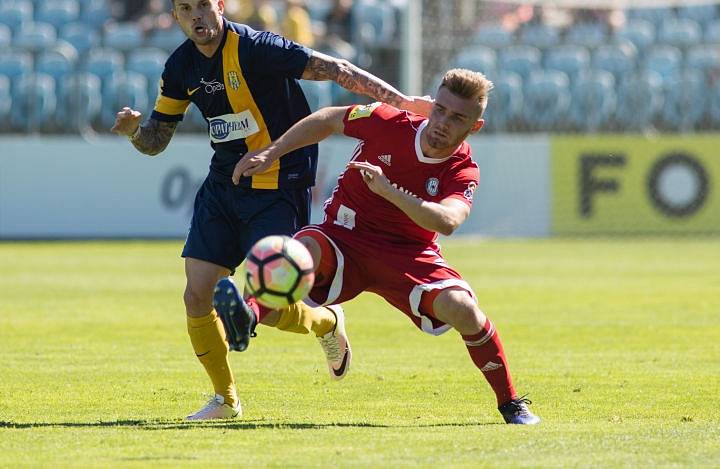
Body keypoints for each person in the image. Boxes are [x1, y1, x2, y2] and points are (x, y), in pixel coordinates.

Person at [110, 0, 432, 421]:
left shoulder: (257, 48)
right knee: (195, 296)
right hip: (224, 185)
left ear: (220, 4)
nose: (197, 16)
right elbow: (156, 140)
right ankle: (226, 400)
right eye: (186, 9)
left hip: (281, 185)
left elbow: (336, 69)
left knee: (274, 303)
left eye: (204, 4)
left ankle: (327, 322)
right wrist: (132, 133)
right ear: (175, 16)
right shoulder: (180, 66)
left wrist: (403, 104)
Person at [230, 68, 541, 425]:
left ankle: (510, 403)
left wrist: (389, 191)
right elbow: (329, 119)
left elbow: (448, 221)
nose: (443, 122)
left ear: (475, 126)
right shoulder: (387, 120)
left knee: (464, 310)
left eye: (457, 118)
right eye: (439, 109)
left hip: (408, 254)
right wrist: (273, 152)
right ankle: (248, 315)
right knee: (298, 253)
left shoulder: (463, 168)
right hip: (344, 236)